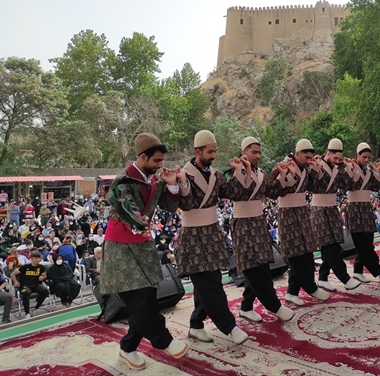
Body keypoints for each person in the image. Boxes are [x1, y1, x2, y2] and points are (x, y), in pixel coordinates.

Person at [99, 132, 189, 370]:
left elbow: (170, 207)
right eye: (157, 161)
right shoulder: (122, 182)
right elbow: (126, 210)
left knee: (146, 297)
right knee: (140, 300)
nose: (160, 166)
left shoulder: (153, 180)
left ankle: (127, 349)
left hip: (143, 245)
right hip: (121, 249)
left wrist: (171, 185)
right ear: (142, 157)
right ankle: (163, 340)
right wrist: (141, 224)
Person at [177, 130, 249, 345]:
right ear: (197, 151)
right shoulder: (184, 174)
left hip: (212, 232)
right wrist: (181, 183)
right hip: (192, 235)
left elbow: (234, 193)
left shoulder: (217, 175)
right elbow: (184, 204)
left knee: (208, 282)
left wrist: (238, 172)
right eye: (209, 152)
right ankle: (229, 327)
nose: (213, 156)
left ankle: (196, 325)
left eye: (214, 152)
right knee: (210, 285)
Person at [224, 136, 295, 323]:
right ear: (244, 151)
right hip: (242, 223)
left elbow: (271, 193)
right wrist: (244, 171)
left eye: (259, 152)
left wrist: (282, 175)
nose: (258, 156)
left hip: (258, 222)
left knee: (261, 264)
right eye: (254, 152)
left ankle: (246, 307)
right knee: (252, 267)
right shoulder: (233, 171)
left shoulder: (261, 172)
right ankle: (274, 305)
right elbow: (235, 192)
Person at [266, 139, 331, 306]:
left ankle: (292, 292)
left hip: (302, 212)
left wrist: (317, 169)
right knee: (295, 254)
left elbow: (316, 187)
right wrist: (285, 175)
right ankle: (310, 287)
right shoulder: (282, 165)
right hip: (287, 213)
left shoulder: (307, 168)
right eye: (306, 157)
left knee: (306, 252)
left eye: (311, 158)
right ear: (297, 154)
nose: (309, 160)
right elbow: (271, 192)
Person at [313, 139, 363, 291]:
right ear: (328, 153)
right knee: (329, 246)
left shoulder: (335, 170)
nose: (336, 161)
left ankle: (322, 278)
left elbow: (348, 185)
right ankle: (345, 279)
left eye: (338, 159)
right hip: (319, 209)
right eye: (334, 158)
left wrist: (349, 168)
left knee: (333, 244)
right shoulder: (316, 165)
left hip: (332, 209)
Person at [347, 142, 380, 284]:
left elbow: (378, 188)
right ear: (357, 155)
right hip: (354, 209)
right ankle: (378, 273)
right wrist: (350, 170)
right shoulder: (350, 168)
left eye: (368, 157)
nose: (366, 160)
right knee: (362, 244)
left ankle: (358, 271)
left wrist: (378, 172)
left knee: (368, 241)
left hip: (366, 208)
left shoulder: (369, 171)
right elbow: (348, 185)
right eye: (363, 157)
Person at [11, 251, 48, 318]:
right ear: (31, 259)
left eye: (39, 258)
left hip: (36, 284)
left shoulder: (41, 267)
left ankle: (36, 308)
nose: (38, 260)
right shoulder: (25, 267)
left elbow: (44, 276)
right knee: (26, 293)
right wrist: (15, 282)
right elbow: (13, 274)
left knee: (45, 291)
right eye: (36, 258)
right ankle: (27, 312)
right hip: (26, 285)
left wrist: (42, 277)